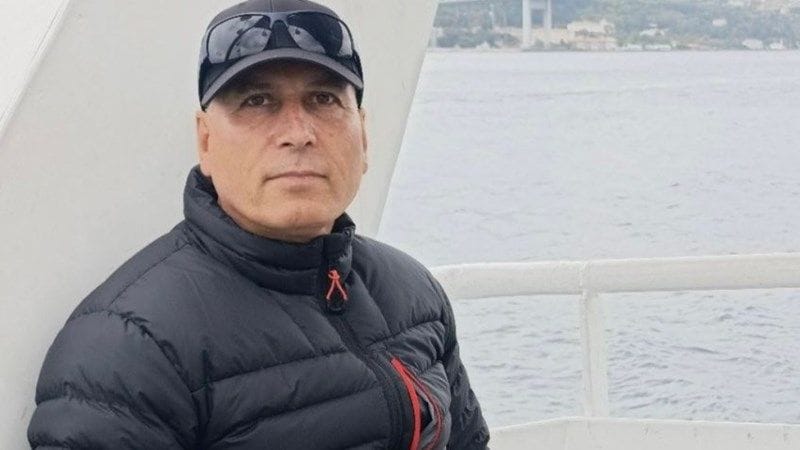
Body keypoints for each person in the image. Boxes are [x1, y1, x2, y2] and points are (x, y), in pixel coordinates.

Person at [26, 0, 490, 448]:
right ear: (205, 141)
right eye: (257, 101)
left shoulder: (411, 292)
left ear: (363, 135)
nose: (298, 133)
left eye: (324, 99)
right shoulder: (128, 348)